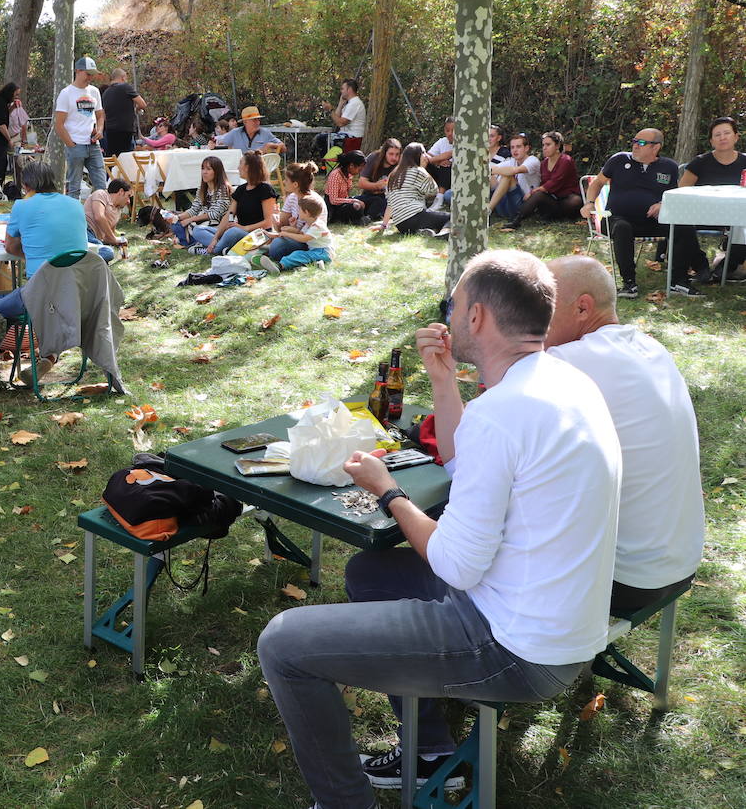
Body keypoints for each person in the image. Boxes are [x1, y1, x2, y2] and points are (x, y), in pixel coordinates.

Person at [259, 249, 621, 805]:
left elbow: (455, 563)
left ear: (475, 317)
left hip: (517, 649)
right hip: (563, 626)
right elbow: (463, 463)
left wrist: (390, 492)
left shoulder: (505, 412)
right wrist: (443, 380)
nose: (447, 318)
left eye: (451, 306)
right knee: (373, 572)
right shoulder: (562, 382)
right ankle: (430, 750)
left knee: (283, 644)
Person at [544, 254, 704, 614]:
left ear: (582, 308)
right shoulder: (651, 347)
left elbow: (485, 437)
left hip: (625, 581)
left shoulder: (566, 361)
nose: (532, 319)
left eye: (543, 305)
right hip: (679, 566)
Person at [584, 128, 709, 299]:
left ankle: (678, 281)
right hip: (617, 219)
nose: (635, 146)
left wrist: (662, 203)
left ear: (655, 147)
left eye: (641, 143)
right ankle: (629, 283)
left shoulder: (669, 167)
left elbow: (674, 195)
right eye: (634, 141)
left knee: (683, 227)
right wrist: (589, 203)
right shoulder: (619, 160)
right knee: (622, 227)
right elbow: (598, 183)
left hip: (653, 221)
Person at [0, 160, 89, 320]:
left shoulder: (22, 206)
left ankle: (15, 343)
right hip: (79, 288)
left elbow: (10, 247)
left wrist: (34, 254)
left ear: (26, 185)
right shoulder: (76, 204)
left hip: (42, 291)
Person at [680, 116, 746, 279]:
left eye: (727, 133)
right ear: (711, 141)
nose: (722, 138)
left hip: (737, 216)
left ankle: (724, 268)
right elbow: (682, 191)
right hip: (701, 214)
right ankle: (700, 266)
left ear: (736, 137)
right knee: (680, 225)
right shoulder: (700, 162)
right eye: (717, 135)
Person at [503, 131, 581, 229]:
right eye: (543, 145)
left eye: (548, 144)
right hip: (553, 201)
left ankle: (561, 217)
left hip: (567, 200)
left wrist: (532, 192)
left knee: (575, 200)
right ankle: (517, 220)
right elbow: (543, 183)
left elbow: (554, 183)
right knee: (539, 195)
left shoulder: (566, 160)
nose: (544, 147)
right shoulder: (544, 163)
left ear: (557, 146)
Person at [55, 57, 107, 200]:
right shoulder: (66, 93)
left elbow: (100, 115)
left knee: (102, 185)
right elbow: (59, 124)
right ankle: (73, 219)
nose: (90, 77)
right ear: (78, 71)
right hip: (76, 144)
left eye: (92, 74)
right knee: (74, 187)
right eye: (88, 74)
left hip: (93, 144)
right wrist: (71, 144)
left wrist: (100, 130)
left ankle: (99, 216)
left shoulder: (94, 91)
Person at [210, 152, 278, 254]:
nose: (238, 168)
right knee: (200, 230)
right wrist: (216, 237)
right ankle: (221, 246)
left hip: (258, 234)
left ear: (248, 167)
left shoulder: (265, 189)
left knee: (233, 232)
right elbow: (230, 214)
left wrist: (244, 228)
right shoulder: (241, 189)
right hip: (239, 231)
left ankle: (213, 250)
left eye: (240, 164)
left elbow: (269, 222)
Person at [259, 162, 324, 268]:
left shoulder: (312, 202)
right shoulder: (292, 197)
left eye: (286, 179)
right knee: (264, 238)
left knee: (277, 246)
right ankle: (266, 252)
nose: (284, 181)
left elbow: (306, 235)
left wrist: (286, 233)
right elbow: (281, 227)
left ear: (295, 184)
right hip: (297, 237)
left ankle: (272, 256)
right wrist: (277, 220)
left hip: (310, 243)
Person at [381, 142, 450, 236]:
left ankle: (422, 232)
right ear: (419, 155)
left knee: (431, 220)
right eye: (424, 153)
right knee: (451, 218)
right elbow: (434, 191)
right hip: (415, 215)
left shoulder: (393, 174)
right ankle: (442, 234)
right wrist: (423, 168)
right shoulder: (418, 171)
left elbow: (390, 203)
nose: (426, 156)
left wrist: (383, 225)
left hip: (400, 224)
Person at [254, 193, 334, 274]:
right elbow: (300, 233)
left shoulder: (317, 226)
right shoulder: (308, 223)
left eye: (300, 210)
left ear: (306, 212)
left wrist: (287, 234)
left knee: (299, 255)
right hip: (316, 251)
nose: (298, 212)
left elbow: (304, 238)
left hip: (323, 252)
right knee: (300, 256)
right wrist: (291, 228)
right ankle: (317, 264)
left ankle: (279, 266)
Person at [170, 157, 232, 253]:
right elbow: (194, 209)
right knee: (176, 224)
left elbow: (215, 214)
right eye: (203, 168)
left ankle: (216, 247)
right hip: (203, 222)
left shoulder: (223, 189)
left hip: (218, 226)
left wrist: (191, 219)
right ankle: (200, 244)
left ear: (217, 172)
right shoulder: (202, 189)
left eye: (208, 169)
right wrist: (176, 217)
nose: (204, 172)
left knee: (197, 230)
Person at [487, 132, 541, 221]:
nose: (515, 150)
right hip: (506, 207)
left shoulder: (533, 160)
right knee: (490, 177)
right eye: (512, 147)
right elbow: (488, 168)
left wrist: (492, 170)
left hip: (522, 207)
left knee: (508, 177)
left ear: (526, 148)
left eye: (518, 147)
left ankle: (487, 211)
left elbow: (515, 170)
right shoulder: (512, 161)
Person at [101, 68, 146, 157]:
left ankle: (112, 171)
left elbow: (103, 114)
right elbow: (142, 104)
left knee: (113, 157)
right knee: (126, 157)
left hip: (110, 130)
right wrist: (136, 109)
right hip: (125, 129)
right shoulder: (125, 87)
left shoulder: (105, 93)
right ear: (123, 78)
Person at [84, 178, 131, 261]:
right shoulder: (101, 194)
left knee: (107, 252)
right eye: (128, 196)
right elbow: (99, 217)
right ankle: (83, 259)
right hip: (85, 230)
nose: (129, 201)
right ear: (121, 192)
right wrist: (114, 238)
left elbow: (108, 237)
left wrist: (119, 241)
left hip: (95, 238)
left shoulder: (118, 211)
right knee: (107, 252)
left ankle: (83, 258)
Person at [356, 138, 400, 221]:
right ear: (384, 153)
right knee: (376, 201)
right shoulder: (373, 158)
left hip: (391, 197)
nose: (394, 157)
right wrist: (377, 186)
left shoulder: (401, 162)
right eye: (391, 154)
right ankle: (369, 217)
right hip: (371, 196)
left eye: (397, 154)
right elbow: (361, 183)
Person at [320, 78, 367, 154]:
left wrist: (330, 110)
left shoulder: (354, 103)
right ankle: (328, 163)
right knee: (322, 137)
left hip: (353, 136)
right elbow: (337, 119)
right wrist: (340, 104)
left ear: (349, 89)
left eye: (342, 89)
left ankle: (328, 164)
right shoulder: (349, 103)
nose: (341, 91)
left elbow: (341, 123)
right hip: (346, 134)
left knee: (322, 138)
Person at [325, 149, 369, 225]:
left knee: (369, 199)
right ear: (351, 165)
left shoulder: (348, 175)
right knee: (356, 205)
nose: (360, 171)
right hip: (334, 208)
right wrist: (353, 201)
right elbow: (333, 200)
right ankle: (356, 220)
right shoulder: (335, 175)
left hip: (344, 202)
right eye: (359, 169)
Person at [215, 105, 282, 153]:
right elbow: (221, 144)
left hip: (260, 168)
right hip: (241, 168)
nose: (258, 122)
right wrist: (213, 144)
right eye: (254, 120)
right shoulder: (235, 133)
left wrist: (271, 146)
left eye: (258, 119)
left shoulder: (265, 132)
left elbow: (283, 147)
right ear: (245, 122)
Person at [425, 117, 455, 192]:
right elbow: (427, 156)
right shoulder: (442, 141)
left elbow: (449, 154)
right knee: (427, 164)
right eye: (447, 130)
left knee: (447, 166)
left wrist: (433, 160)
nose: (450, 134)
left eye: (453, 131)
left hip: (453, 177)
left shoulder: (461, 144)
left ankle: (440, 195)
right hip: (440, 175)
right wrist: (438, 162)